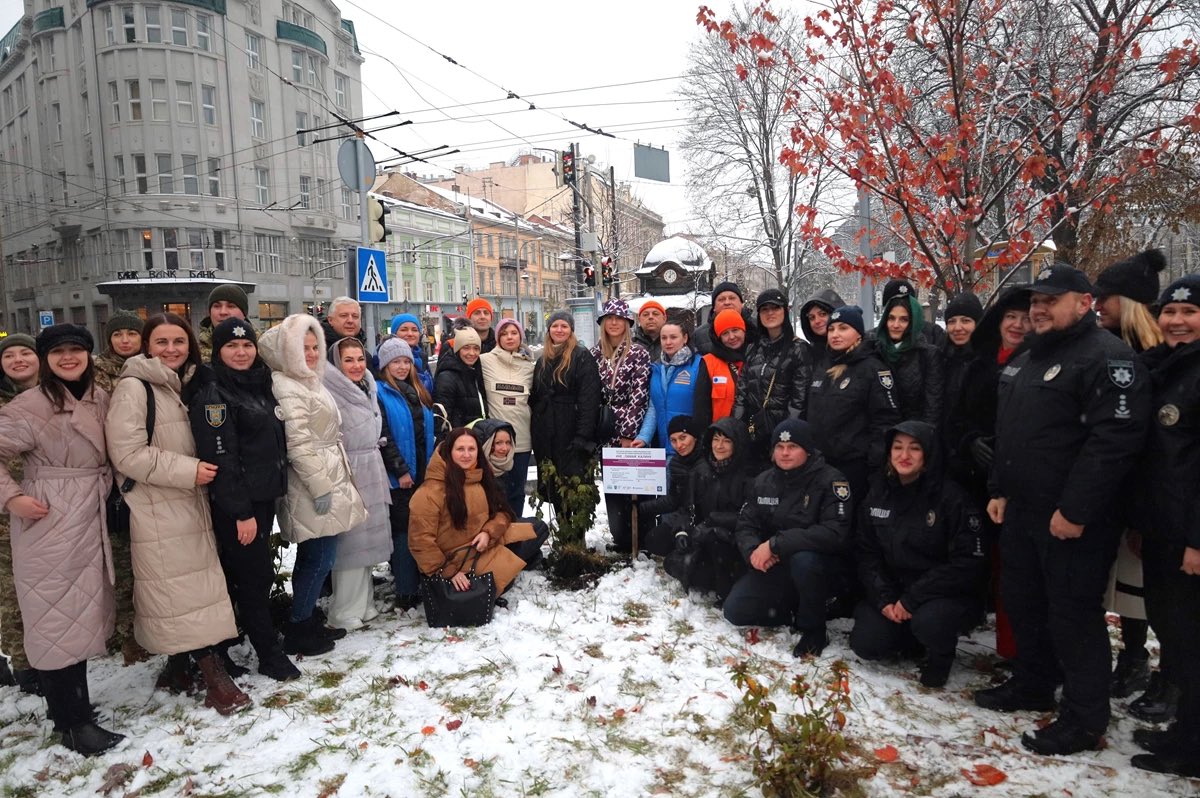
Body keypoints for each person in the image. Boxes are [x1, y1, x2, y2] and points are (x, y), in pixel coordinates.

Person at [974, 263, 1150, 755]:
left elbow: (1114, 443)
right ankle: (1033, 682)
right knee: (1026, 604)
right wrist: (999, 488)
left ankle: (1084, 716)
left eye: (1051, 299)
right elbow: (1010, 432)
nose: (1039, 307)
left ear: (1083, 301)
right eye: (1035, 300)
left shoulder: (1107, 358)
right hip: (1023, 510)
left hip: (1071, 520)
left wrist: (1075, 510)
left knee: (1073, 616)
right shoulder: (1030, 357)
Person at [105, 313, 249, 716]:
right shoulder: (135, 388)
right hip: (158, 506)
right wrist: (190, 472)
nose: (171, 349)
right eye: (162, 342)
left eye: (179, 342)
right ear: (148, 346)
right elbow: (127, 453)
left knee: (186, 594)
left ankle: (177, 670)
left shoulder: (182, 384)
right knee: (185, 594)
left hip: (186, 502)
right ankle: (216, 681)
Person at [0, 325, 124, 755]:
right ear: (45, 358)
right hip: (50, 520)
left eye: (76, 350)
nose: (68, 357)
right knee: (55, 620)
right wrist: (12, 497)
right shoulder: (29, 405)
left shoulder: (98, 397)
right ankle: (71, 724)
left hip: (88, 514)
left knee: (78, 617)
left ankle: (78, 711)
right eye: (58, 352)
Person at [187, 318, 298, 682]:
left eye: (246, 345)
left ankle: (229, 648)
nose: (241, 352)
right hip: (241, 505)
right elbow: (222, 458)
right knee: (252, 577)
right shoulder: (215, 392)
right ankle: (268, 654)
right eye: (231, 346)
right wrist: (241, 512)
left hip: (262, 497)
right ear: (218, 351)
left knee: (248, 574)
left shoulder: (257, 384)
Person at [258, 314, 367, 656]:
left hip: (328, 474)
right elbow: (299, 444)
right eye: (301, 348)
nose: (309, 353)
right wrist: (321, 488)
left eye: (314, 346)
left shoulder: (308, 381)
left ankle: (305, 619)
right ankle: (299, 625)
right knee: (318, 557)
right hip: (311, 483)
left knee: (318, 555)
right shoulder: (285, 384)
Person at [850, 421, 986, 687]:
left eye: (914, 449)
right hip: (895, 592)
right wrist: (884, 598)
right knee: (867, 643)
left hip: (941, 595)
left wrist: (913, 599)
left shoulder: (952, 498)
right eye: (897, 447)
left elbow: (968, 562)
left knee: (931, 623)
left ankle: (940, 653)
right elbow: (866, 553)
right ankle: (908, 639)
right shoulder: (878, 493)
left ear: (929, 454)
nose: (904, 455)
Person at [1129, 274, 1200, 776]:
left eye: (1189, 313)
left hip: (1189, 538)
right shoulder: (1169, 369)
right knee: (1174, 635)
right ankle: (1184, 730)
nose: (1176, 321)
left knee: (1192, 640)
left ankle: (1193, 748)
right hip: (1160, 527)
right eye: (1170, 313)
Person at [1093, 249, 1167, 705]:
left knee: (1144, 588)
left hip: (1150, 495)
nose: (1099, 303)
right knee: (1119, 585)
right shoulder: (1109, 349)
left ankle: (1153, 667)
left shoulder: (1155, 359)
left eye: (1107, 296)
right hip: (1113, 491)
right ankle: (1131, 656)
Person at [945, 287, 1031, 662]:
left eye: (1025, 318)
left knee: (1018, 570)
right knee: (984, 556)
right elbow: (958, 416)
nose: (1017, 324)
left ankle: (1022, 654)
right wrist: (969, 442)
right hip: (977, 477)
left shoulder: (1041, 359)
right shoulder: (981, 362)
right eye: (1011, 317)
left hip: (1022, 479)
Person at [724, 419, 854, 657]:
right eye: (779, 447)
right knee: (735, 611)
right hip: (776, 567)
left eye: (792, 446)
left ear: (808, 449)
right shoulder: (763, 481)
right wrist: (753, 551)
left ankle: (814, 628)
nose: (785, 453)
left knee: (805, 560)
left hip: (820, 569)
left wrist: (775, 544)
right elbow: (745, 525)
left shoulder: (831, 481)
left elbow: (835, 533)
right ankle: (792, 610)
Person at [408, 428, 536, 612]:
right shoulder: (430, 492)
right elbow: (420, 541)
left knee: (534, 528)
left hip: (482, 548)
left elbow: (504, 512)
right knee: (523, 547)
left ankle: (492, 582)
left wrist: (488, 532)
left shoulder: (481, 477)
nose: (467, 455)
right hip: (454, 563)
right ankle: (480, 587)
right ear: (449, 452)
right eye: (460, 449)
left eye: (472, 449)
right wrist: (448, 571)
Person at [323, 337, 393, 630]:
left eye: (360, 359)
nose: (356, 365)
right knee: (350, 543)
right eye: (348, 360)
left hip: (370, 466)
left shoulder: (367, 385)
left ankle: (363, 603)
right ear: (337, 363)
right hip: (349, 469)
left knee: (367, 544)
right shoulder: (331, 391)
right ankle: (343, 610)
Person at [806, 306, 902, 502]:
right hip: (821, 465)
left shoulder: (873, 369)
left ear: (858, 333)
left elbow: (885, 421)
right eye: (832, 329)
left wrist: (875, 467)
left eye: (843, 328)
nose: (835, 334)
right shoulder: (824, 366)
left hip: (855, 468)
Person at [376, 337, 436, 612]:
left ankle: (420, 582)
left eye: (405, 362)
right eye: (395, 362)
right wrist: (400, 470)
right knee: (402, 532)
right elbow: (383, 434)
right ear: (385, 365)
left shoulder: (417, 390)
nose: (401, 367)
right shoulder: (380, 392)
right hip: (400, 476)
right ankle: (405, 590)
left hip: (421, 471)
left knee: (420, 528)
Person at [666, 417, 755, 599]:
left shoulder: (750, 476)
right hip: (704, 538)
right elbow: (687, 508)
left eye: (726, 440)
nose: (719, 446)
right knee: (673, 560)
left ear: (737, 444)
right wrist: (681, 532)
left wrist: (715, 522)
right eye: (716, 439)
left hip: (734, 544)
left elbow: (750, 518)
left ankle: (728, 588)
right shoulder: (702, 471)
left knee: (717, 550)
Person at [591, 299, 652, 554]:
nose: (614, 323)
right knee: (613, 488)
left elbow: (640, 395)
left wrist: (628, 433)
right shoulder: (594, 354)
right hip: (603, 428)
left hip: (629, 430)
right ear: (603, 323)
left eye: (619, 319)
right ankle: (620, 537)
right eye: (609, 318)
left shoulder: (639, 353)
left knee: (635, 490)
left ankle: (641, 539)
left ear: (627, 323)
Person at [530, 311, 602, 528]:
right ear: (549, 330)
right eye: (555, 326)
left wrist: (582, 434)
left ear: (571, 330)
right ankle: (562, 529)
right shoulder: (543, 359)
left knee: (574, 483)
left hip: (571, 430)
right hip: (547, 432)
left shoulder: (581, 356)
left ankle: (576, 537)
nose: (559, 330)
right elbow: (536, 394)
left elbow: (589, 399)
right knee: (554, 486)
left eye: (564, 326)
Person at [0, 334, 40, 694]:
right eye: (9, 355)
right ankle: (25, 667)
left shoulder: (56, 395)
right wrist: (10, 497)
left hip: (46, 509)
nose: (18, 360)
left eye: (26, 352)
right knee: (12, 594)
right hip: (5, 511)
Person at [731, 289, 813, 465]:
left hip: (783, 436)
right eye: (764, 309)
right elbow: (741, 395)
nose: (770, 313)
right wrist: (735, 431)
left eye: (775, 308)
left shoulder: (798, 349)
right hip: (755, 432)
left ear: (785, 311)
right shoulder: (753, 349)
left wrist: (785, 441)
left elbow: (799, 401)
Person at [471, 419, 550, 568]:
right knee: (537, 529)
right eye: (498, 443)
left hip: (496, 529)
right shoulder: (478, 473)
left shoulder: (501, 469)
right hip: (482, 537)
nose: (504, 448)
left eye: (508, 442)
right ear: (487, 444)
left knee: (534, 527)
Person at [479, 318, 536, 514]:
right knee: (494, 494)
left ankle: (515, 539)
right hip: (495, 442)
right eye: (504, 333)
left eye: (514, 333)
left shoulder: (530, 366)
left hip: (521, 440)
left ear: (521, 336)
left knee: (516, 493)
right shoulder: (485, 360)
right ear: (498, 338)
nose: (509, 337)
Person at [874, 285, 945, 428]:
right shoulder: (873, 349)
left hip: (912, 437)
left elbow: (932, 407)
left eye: (904, 319)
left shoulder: (928, 355)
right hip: (878, 438)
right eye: (891, 318)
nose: (896, 325)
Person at [640, 415, 706, 556]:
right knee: (655, 539)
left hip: (705, 519)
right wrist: (642, 507)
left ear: (694, 436)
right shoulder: (676, 463)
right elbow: (673, 499)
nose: (679, 445)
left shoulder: (707, 461)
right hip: (686, 517)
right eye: (673, 440)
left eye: (683, 438)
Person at [636, 321, 702, 456]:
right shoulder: (657, 368)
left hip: (690, 448)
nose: (668, 342)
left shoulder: (698, 365)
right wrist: (644, 436)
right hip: (665, 444)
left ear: (685, 338)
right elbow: (654, 407)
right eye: (664, 338)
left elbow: (703, 407)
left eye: (673, 337)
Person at [693, 309, 748, 430]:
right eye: (725, 333)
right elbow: (702, 408)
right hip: (720, 437)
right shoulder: (709, 362)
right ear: (719, 338)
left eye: (735, 330)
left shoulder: (755, 357)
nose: (731, 337)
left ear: (744, 330)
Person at [940, 293, 983, 436]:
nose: (957, 328)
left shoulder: (989, 361)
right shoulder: (941, 359)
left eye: (965, 320)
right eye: (951, 321)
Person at [434, 326, 488, 432]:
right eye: (466, 348)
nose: (472, 353)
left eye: (476, 348)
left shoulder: (476, 373)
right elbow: (442, 420)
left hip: (475, 440)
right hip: (459, 442)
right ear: (457, 349)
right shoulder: (447, 377)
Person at [691, 282, 759, 355]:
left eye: (732, 298)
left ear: (741, 304)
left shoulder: (758, 327)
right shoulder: (699, 335)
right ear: (714, 307)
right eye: (721, 299)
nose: (727, 302)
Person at [197, 284, 250, 362]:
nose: (223, 312)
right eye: (217, 306)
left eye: (231, 306)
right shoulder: (194, 352)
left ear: (244, 313)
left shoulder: (264, 348)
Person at [799, 288, 846, 371]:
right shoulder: (807, 355)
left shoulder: (856, 351)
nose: (817, 321)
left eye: (823, 314)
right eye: (812, 317)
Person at [389, 313, 434, 395]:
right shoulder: (387, 359)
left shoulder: (421, 357)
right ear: (394, 333)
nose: (410, 334)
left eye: (414, 330)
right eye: (404, 330)